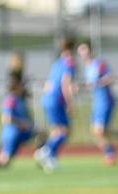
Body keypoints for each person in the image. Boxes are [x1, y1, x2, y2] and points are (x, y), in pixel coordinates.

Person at [77, 41, 118, 166]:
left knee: (99, 130)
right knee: (100, 131)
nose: (83, 54)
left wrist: (97, 83)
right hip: (97, 101)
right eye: (81, 52)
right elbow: (91, 85)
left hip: (105, 100)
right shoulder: (88, 67)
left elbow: (110, 77)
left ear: (90, 50)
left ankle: (111, 154)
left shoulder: (99, 64)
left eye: (85, 50)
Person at [0, 78, 43, 169]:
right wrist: (23, 123)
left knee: (41, 132)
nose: (23, 88)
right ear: (15, 88)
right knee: (4, 163)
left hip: (20, 133)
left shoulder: (18, 99)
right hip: (11, 135)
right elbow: (6, 119)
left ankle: (42, 156)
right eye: (21, 86)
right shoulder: (11, 100)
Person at [35, 38, 77, 173]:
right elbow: (66, 85)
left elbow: (49, 84)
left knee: (56, 131)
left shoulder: (57, 63)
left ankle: (50, 159)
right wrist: (70, 103)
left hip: (48, 99)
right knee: (65, 131)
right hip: (56, 100)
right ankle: (46, 151)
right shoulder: (69, 63)